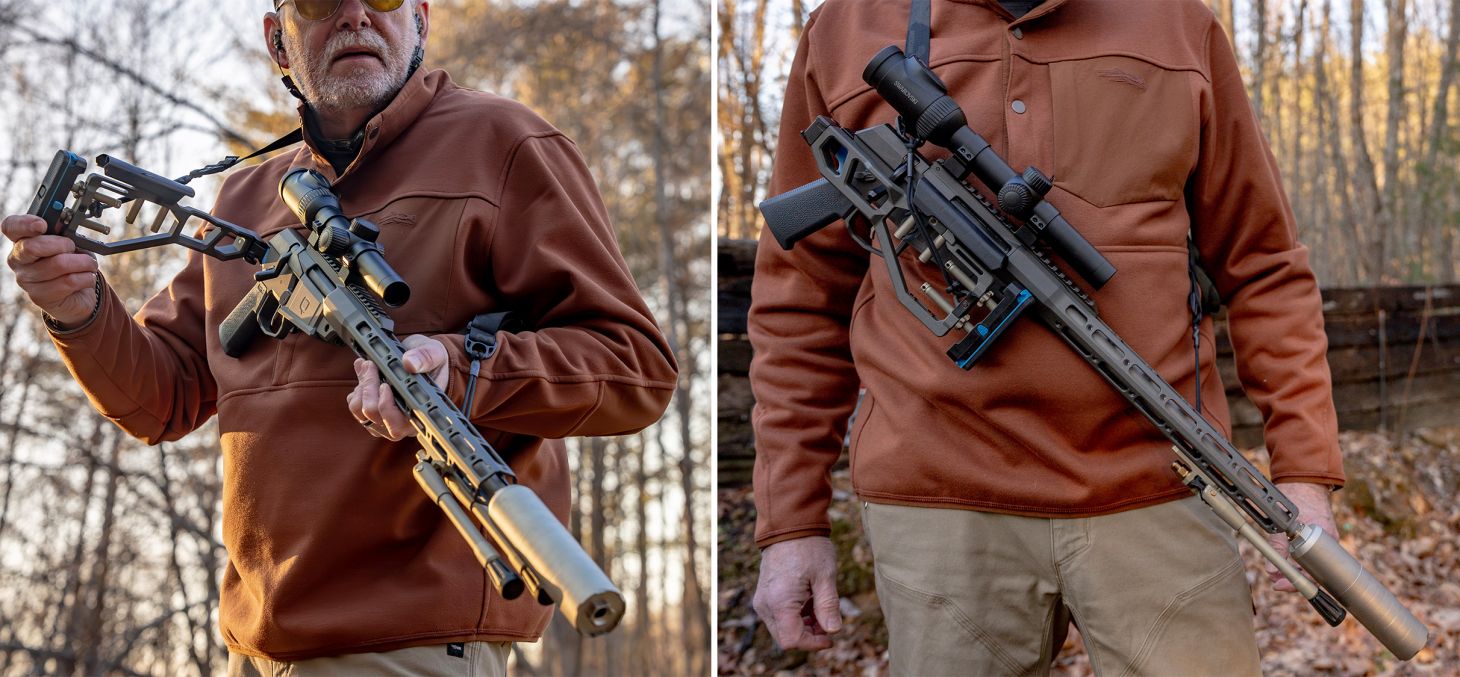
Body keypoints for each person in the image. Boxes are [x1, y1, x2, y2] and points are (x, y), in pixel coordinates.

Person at [2, 0, 678, 674]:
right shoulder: (243, 198)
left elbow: (635, 366)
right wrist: (79, 310)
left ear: (420, 20)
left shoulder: (504, 144)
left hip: (410, 643)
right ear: (278, 41)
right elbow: (161, 399)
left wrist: (461, 370)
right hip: (253, 647)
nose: (354, 15)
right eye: (320, 2)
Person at [748, 0, 1343, 674]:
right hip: (939, 508)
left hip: (1163, 484)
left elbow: (1265, 268)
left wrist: (1304, 473)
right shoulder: (846, 26)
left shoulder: (1180, 24)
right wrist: (790, 521)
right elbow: (798, 301)